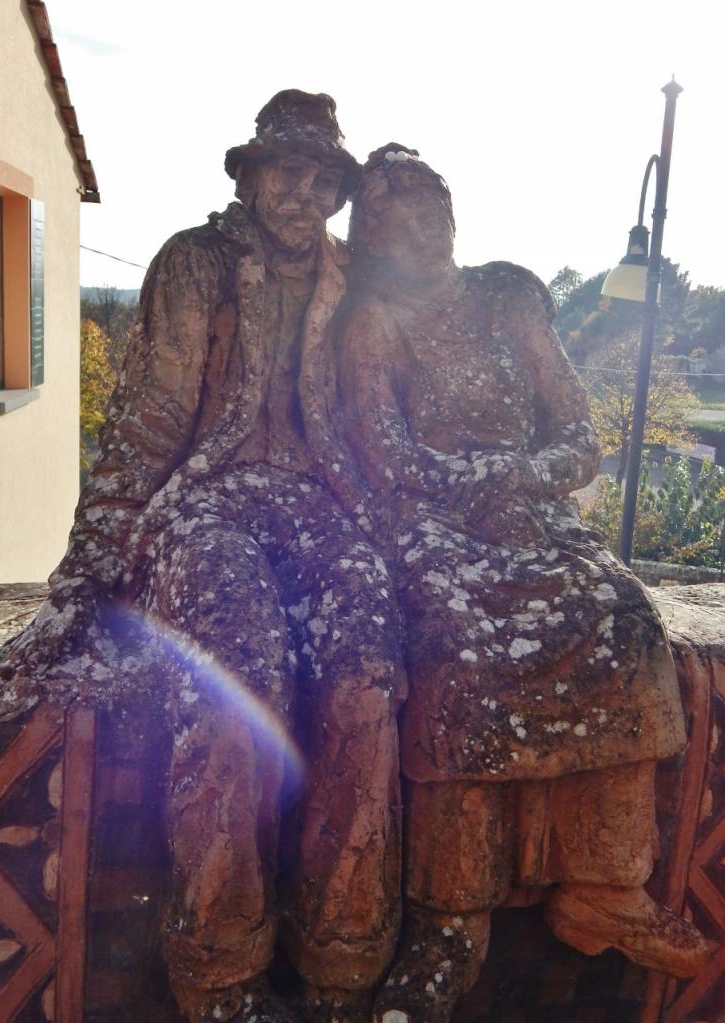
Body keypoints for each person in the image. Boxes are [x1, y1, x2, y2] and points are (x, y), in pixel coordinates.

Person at [0, 96, 406, 1023]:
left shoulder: (349, 279)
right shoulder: (194, 264)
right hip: (206, 507)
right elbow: (148, 420)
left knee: (367, 676)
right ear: (248, 178)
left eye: (322, 178)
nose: (304, 192)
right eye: (286, 171)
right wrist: (89, 565)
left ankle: (340, 959)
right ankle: (220, 969)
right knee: (236, 677)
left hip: (320, 510)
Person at [302, 144, 713, 1023]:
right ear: (371, 232)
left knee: (623, 619)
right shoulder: (373, 322)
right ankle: (451, 917)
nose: (419, 222)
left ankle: (607, 883)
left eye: (429, 201)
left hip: (533, 516)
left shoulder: (508, 297)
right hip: (433, 528)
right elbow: (385, 455)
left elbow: (580, 437)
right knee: (456, 648)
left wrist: (520, 477)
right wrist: (469, 488)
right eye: (395, 209)